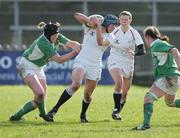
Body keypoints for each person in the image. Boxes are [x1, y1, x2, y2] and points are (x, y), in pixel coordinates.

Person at [44, 12, 119, 123]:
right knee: (75, 85)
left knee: (87, 95)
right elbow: (76, 15)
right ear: (106, 23)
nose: (114, 27)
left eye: (115, 25)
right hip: (82, 61)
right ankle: (54, 110)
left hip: (95, 66)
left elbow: (100, 42)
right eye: (112, 25)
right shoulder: (90, 28)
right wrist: (90, 19)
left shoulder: (111, 36)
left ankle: (83, 115)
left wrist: (97, 25)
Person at [9, 21, 81, 122]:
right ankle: (40, 115)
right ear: (48, 35)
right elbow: (59, 60)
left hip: (39, 67)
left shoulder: (56, 35)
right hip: (27, 65)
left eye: (57, 35)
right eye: (54, 36)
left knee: (41, 98)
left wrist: (78, 45)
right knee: (40, 93)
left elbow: (71, 43)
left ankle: (18, 116)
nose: (56, 37)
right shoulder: (44, 43)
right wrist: (74, 52)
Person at [133, 26, 180, 130]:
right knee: (170, 103)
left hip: (167, 77)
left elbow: (175, 50)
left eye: (144, 38)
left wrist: (179, 63)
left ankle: (145, 125)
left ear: (147, 37)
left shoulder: (157, 44)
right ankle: (145, 125)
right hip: (172, 77)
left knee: (148, 98)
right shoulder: (158, 45)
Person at [107, 11, 146, 120]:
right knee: (119, 82)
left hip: (128, 62)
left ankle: (117, 112)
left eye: (126, 19)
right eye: (122, 19)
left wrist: (134, 53)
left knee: (125, 93)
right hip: (115, 59)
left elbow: (142, 50)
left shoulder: (134, 32)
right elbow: (104, 43)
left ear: (130, 20)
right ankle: (116, 109)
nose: (124, 21)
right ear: (119, 20)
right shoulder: (114, 31)